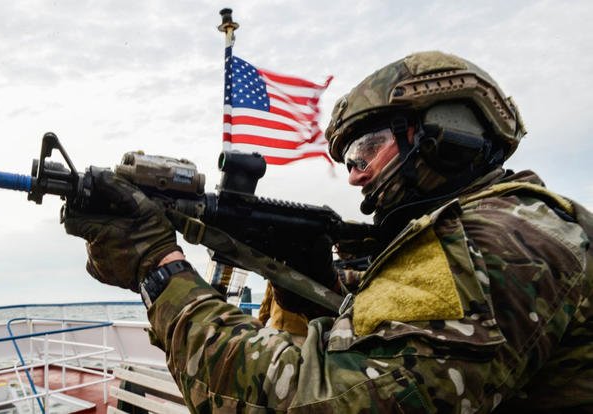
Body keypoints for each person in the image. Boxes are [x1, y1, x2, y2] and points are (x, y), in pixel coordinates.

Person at [64, 51, 593, 413]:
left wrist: (158, 269)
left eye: (368, 149)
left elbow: (308, 401)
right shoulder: (527, 221)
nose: (356, 171)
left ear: (447, 135)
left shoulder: (493, 242)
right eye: (349, 159)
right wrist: (317, 291)